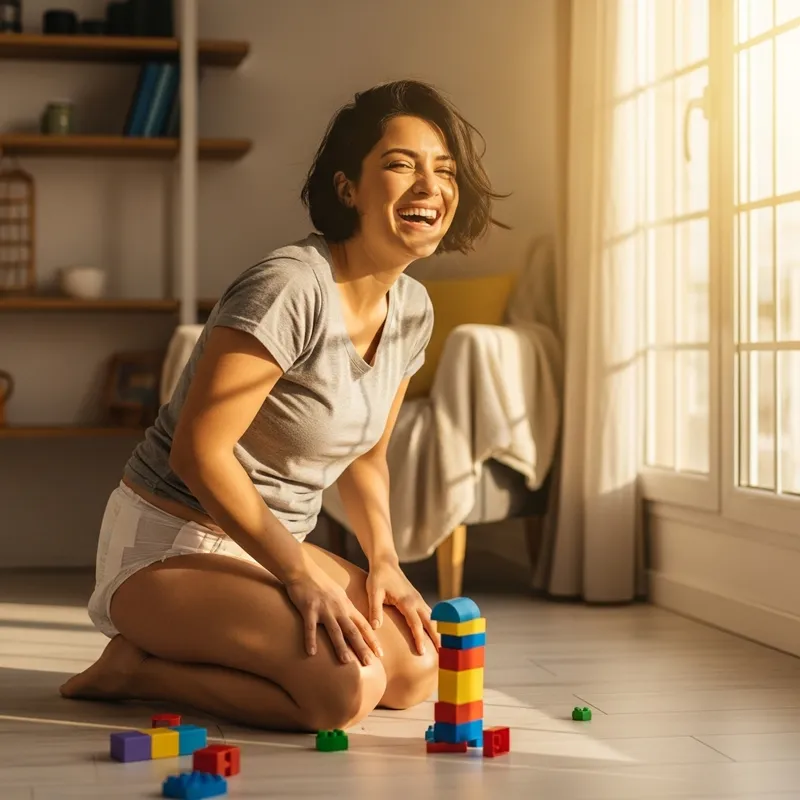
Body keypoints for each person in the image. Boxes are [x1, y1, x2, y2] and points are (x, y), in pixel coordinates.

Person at [60, 79, 505, 732]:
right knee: (345, 692)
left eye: (443, 170)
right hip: (171, 543)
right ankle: (135, 669)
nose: (428, 186)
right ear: (346, 187)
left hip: (266, 548)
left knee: (413, 670)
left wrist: (385, 560)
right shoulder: (288, 287)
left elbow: (368, 458)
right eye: (400, 164)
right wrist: (299, 574)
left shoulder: (412, 310)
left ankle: (241, 642)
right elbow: (199, 452)